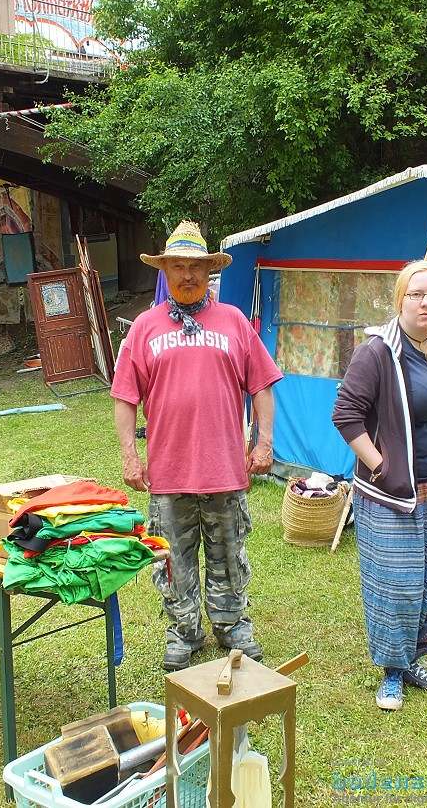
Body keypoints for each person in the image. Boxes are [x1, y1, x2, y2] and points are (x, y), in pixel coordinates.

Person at [111, 220, 283, 671]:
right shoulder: (144, 328)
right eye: (178, 267)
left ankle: (232, 626)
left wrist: (264, 444)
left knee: (228, 553)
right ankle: (183, 631)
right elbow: (124, 396)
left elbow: (263, 386)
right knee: (172, 558)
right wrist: (130, 455)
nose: (187, 276)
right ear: (165, 272)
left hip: (226, 468)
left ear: (210, 272)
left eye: (196, 268)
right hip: (168, 472)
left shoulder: (234, 322)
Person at [332, 259, 427, 711]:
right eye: (417, 294)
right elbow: (346, 415)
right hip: (391, 493)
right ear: (400, 300)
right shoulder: (376, 352)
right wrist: (379, 465)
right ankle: (391, 673)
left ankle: (412, 662)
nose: (426, 302)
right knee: (396, 584)